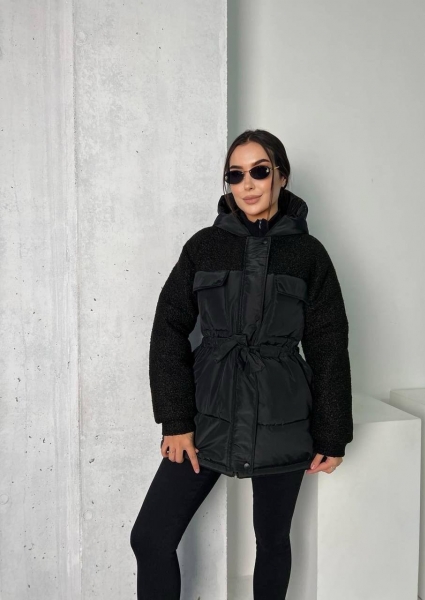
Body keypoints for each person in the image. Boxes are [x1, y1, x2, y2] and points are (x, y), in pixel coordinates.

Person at [130, 129, 353, 599]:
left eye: (259, 171)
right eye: (236, 174)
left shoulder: (308, 255)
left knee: (272, 542)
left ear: (281, 176)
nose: (247, 183)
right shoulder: (204, 246)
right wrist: (176, 420)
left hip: (282, 416)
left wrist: (333, 433)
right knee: (150, 538)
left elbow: (329, 344)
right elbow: (168, 329)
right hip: (207, 412)